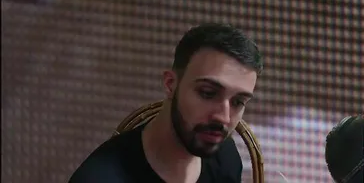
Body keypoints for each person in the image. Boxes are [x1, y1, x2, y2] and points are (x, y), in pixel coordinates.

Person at [68, 23, 262, 183]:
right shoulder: (100, 177)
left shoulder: (225, 155)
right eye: (208, 93)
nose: (224, 118)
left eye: (238, 102)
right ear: (170, 84)